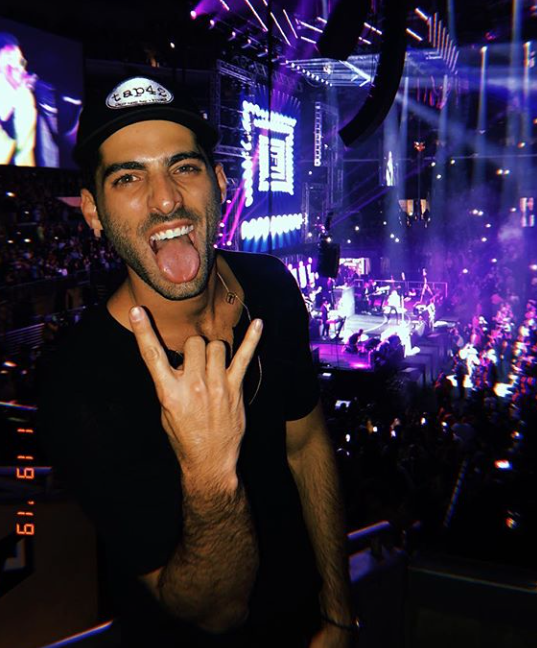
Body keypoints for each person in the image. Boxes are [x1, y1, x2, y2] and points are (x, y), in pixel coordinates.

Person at [38, 75, 356, 648]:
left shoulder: (271, 286)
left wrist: (337, 611)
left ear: (219, 183)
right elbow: (215, 614)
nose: (165, 199)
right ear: (93, 212)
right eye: (128, 177)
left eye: (183, 167)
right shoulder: (80, 385)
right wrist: (210, 474)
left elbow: (306, 444)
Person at [0, 32, 37, 166]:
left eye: (19, 60)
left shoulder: (25, 98)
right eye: (7, 57)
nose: (15, 64)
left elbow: (25, 153)